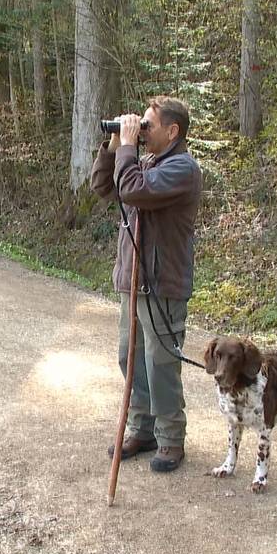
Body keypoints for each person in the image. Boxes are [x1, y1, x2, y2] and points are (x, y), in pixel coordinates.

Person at [90, 96, 202, 473]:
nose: (142, 130)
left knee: (160, 363)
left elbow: (134, 190)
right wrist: (113, 146)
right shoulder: (146, 164)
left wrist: (126, 148)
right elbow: (104, 186)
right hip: (132, 281)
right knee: (131, 358)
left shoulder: (182, 169)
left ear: (172, 131)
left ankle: (171, 437)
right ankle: (143, 428)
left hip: (160, 284)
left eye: (148, 125)